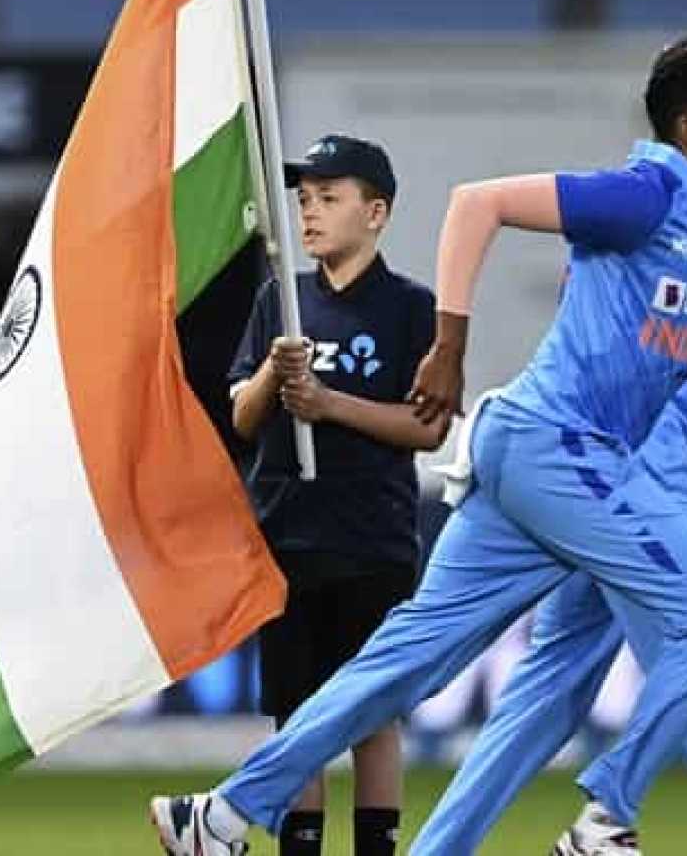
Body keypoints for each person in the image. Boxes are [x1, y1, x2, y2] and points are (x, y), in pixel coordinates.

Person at [153, 34, 687, 856]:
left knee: (409, 659)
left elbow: (629, 330)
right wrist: (448, 346)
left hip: (528, 454)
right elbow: (477, 204)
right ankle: (606, 817)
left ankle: (220, 814)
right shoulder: (646, 194)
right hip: (561, 449)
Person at [414, 379, 687, 855]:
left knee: (538, 703)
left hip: (588, 488)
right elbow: (663, 365)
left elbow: (676, 383)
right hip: (657, 511)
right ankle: (605, 817)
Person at [226, 134, 449, 856]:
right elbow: (242, 416)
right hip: (287, 535)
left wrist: (329, 403)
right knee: (297, 717)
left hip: (370, 540)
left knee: (372, 713)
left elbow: (428, 426)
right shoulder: (281, 301)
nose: (311, 213)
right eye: (304, 200)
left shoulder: (411, 308)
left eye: (329, 197)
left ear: (375, 212)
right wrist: (272, 372)